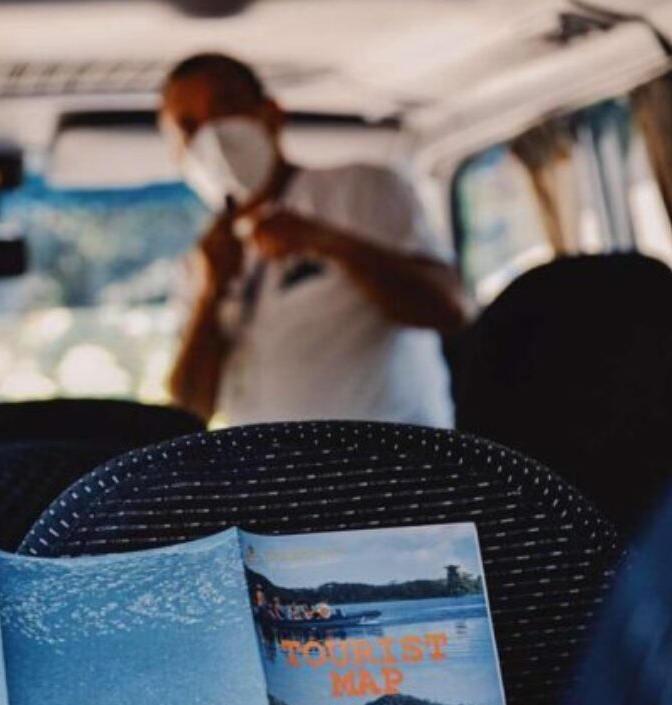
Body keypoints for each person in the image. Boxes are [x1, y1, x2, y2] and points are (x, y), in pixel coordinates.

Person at [160, 52, 468, 426]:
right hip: (277, 480)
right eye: (190, 126)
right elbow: (189, 409)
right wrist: (211, 294)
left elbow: (450, 308)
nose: (212, 136)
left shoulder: (360, 187)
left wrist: (329, 242)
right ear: (176, 153)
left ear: (271, 114)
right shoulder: (201, 263)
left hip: (394, 469)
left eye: (224, 108)